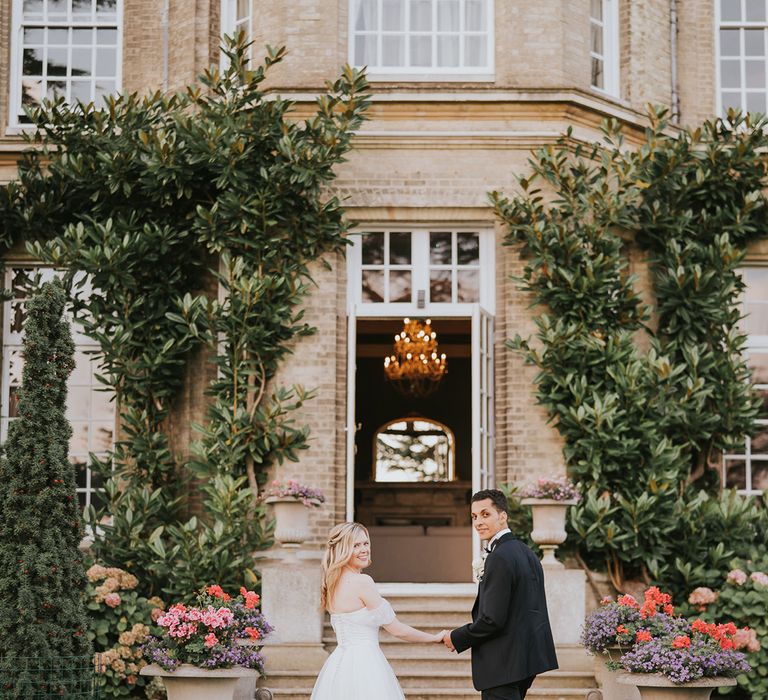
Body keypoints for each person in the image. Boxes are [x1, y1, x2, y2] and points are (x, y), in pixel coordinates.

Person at [442, 489, 558, 700]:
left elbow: (491, 619)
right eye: (474, 516)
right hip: (524, 661)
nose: (478, 522)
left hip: (503, 663)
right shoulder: (527, 552)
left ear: (502, 516)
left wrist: (456, 637)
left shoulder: (500, 557)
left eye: (485, 514)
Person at [310, 521, 447, 700]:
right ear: (342, 549)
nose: (364, 549)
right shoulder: (362, 582)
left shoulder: (332, 584)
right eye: (356, 545)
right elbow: (397, 630)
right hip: (365, 665)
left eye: (366, 543)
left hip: (339, 667)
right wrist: (434, 638)